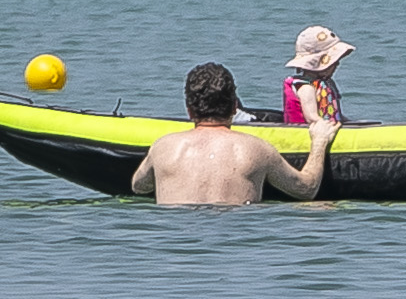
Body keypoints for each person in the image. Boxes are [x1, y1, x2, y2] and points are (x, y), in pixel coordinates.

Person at [132, 62, 341, 205]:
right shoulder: (258, 150)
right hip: (235, 238)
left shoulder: (162, 147)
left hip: (175, 242)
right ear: (234, 107)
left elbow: (139, 187)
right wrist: (319, 143)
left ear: (189, 110)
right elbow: (306, 190)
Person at [283, 24, 355, 126]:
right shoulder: (306, 88)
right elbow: (312, 118)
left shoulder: (325, 83)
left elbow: (335, 114)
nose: (337, 64)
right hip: (312, 130)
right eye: (334, 62)